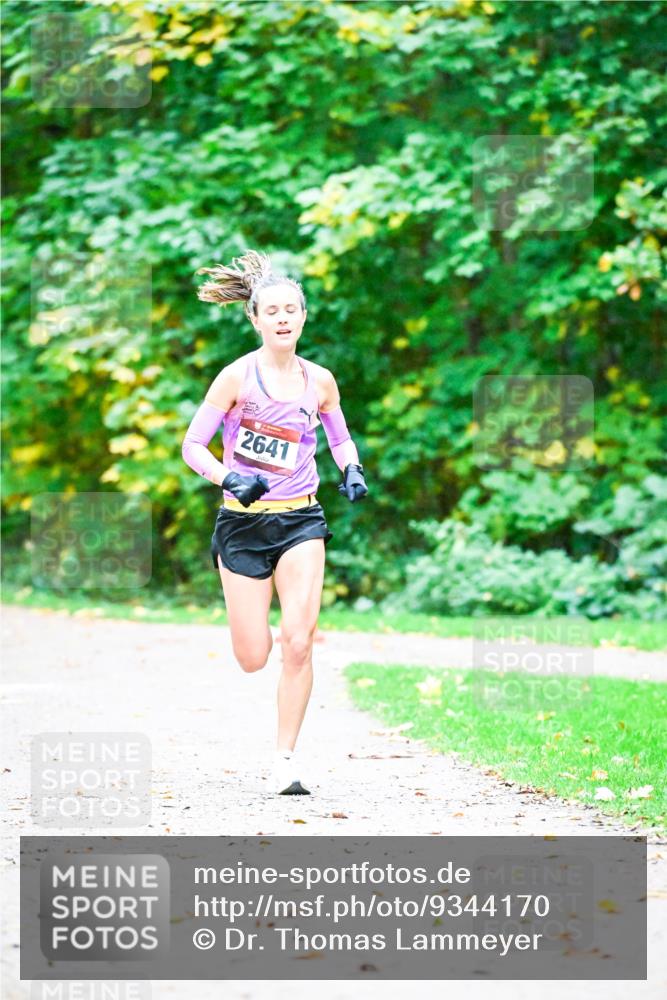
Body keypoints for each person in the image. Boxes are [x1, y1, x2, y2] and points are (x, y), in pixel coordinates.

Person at [181, 250, 368, 795]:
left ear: (303, 317)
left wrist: (351, 468)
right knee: (252, 656)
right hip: (242, 526)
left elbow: (339, 436)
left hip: (301, 520)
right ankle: (252, 623)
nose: (284, 317)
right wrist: (226, 477)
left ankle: (286, 758)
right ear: (256, 319)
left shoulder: (321, 381)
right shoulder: (235, 377)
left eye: (293, 309)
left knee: (300, 642)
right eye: (273, 310)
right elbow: (193, 445)